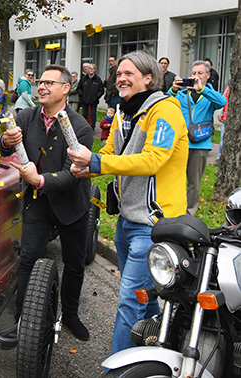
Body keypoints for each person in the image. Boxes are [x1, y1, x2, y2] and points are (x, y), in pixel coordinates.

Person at [68, 50, 188, 354]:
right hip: (126, 220)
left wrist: (96, 162)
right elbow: (111, 152)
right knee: (145, 295)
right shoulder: (123, 110)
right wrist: (87, 167)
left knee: (130, 301)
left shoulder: (167, 110)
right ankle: (164, 339)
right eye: (119, 73)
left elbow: (152, 160)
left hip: (154, 223)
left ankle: (117, 369)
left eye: (128, 74)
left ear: (149, 78)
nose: (120, 78)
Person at [0, 64, 93, 342]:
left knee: (73, 264)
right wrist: (5, 140)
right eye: (40, 81)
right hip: (37, 203)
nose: (41, 86)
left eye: (50, 83)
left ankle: (71, 316)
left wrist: (38, 180)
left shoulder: (81, 127)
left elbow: (72, 176)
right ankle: (22, 321)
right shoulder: (25, 116)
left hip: (71, 205)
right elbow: (1, 147)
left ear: (66, 89)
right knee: (29, 258)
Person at [168, 60, 226, 215]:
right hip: (181, 144)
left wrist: (203, 90)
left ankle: (189, 213)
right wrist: (173, 89)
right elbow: (166, 104)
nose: (196, 76)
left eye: (200, 73)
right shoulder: (182, 94)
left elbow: (222, 102)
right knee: (175, 179)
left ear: (207, 75)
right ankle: (173, 209)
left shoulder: (209, 94)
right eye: (193, 73)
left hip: (200, 145)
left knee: (194, 183)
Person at [76, 63, 104, 129]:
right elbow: (79, 88)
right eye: (90, 68)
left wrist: (97, 96)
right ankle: (84, 127)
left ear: (94, 70)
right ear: (88, 70)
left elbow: (101, 89)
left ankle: (92, 127)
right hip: (84, 100)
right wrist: (82, 95)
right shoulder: (83, 79)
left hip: (94, 101)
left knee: (93, 114)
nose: (91, 70)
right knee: (84, 114)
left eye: (92, 69)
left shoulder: (98, 79)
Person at [218, 86, 230, 160]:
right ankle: (220, 157)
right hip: (226, 118)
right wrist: (220, 113)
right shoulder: (229, 88)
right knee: (223, 139)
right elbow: (223, 100)